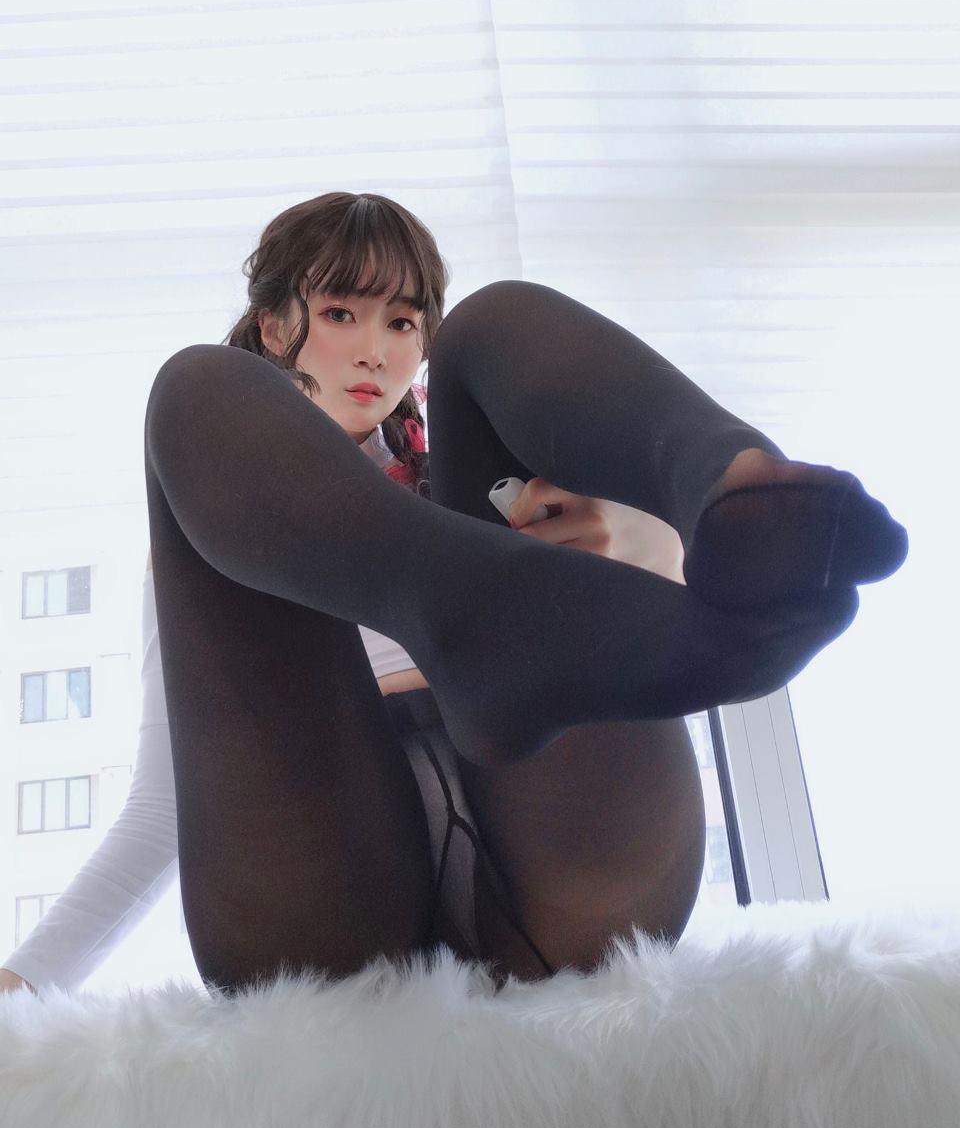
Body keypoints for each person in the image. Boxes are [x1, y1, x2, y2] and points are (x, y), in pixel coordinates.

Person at [1, 191, 907, 1001]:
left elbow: (651, 606)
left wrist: (635, 539)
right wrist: (24, 981)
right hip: (327, 889)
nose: (376, 349)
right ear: (276, 327)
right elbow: (165, 804)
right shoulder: (216, 516)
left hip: (560, 840)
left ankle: (737, 491)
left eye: (403, 322)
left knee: (493, 321)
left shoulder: (497, 476)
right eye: (341, 312)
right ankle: (477, 615)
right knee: (195, 386)